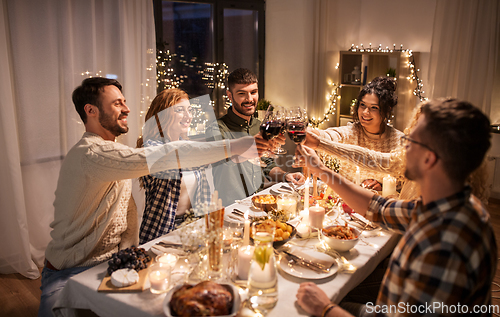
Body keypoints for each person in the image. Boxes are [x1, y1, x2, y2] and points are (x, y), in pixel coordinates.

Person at [38, 78, 264, 317]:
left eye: (125, 102)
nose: (126, 108)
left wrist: (132, 256)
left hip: (113, 264)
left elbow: (127, 214)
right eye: (117, 104)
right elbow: (168, 155)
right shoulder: (92, 153)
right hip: (70, 271)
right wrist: (241, 145)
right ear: (91, 110)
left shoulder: (116, 154)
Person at [295, 98, 496, 317]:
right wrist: (321, 170)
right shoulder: (449, 204)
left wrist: (325, 309)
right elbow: (378, 208)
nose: (404, 148)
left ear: (429, 159)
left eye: (411, 140)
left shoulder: (444, 246)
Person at [206, 68, 305, 206]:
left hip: (259, 202)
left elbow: (267, 165)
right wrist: (252, 146)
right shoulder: (216, 128)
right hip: (230, 207)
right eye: (242, 94)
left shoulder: (259, 125)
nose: (249, 99)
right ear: (229, 95)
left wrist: (285, 175)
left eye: (253, 92)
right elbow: (225, 163)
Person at [137, 88, 217, 243]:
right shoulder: (150, 148)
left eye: (189, 110)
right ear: (162, 115)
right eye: (180, 110)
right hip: (162, 230)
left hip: (193, 225)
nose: (188, 116)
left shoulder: (188, 146)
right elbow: (171, 163)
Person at [310, 77, 404, 191]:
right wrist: (313, 133)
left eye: (374, 107)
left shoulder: (399, 140)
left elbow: (404, 183)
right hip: (346, 204)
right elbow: (331, 135)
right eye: (362, 105)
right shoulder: (351, 132)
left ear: (386, 110)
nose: (365, 112)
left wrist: (383, 186)